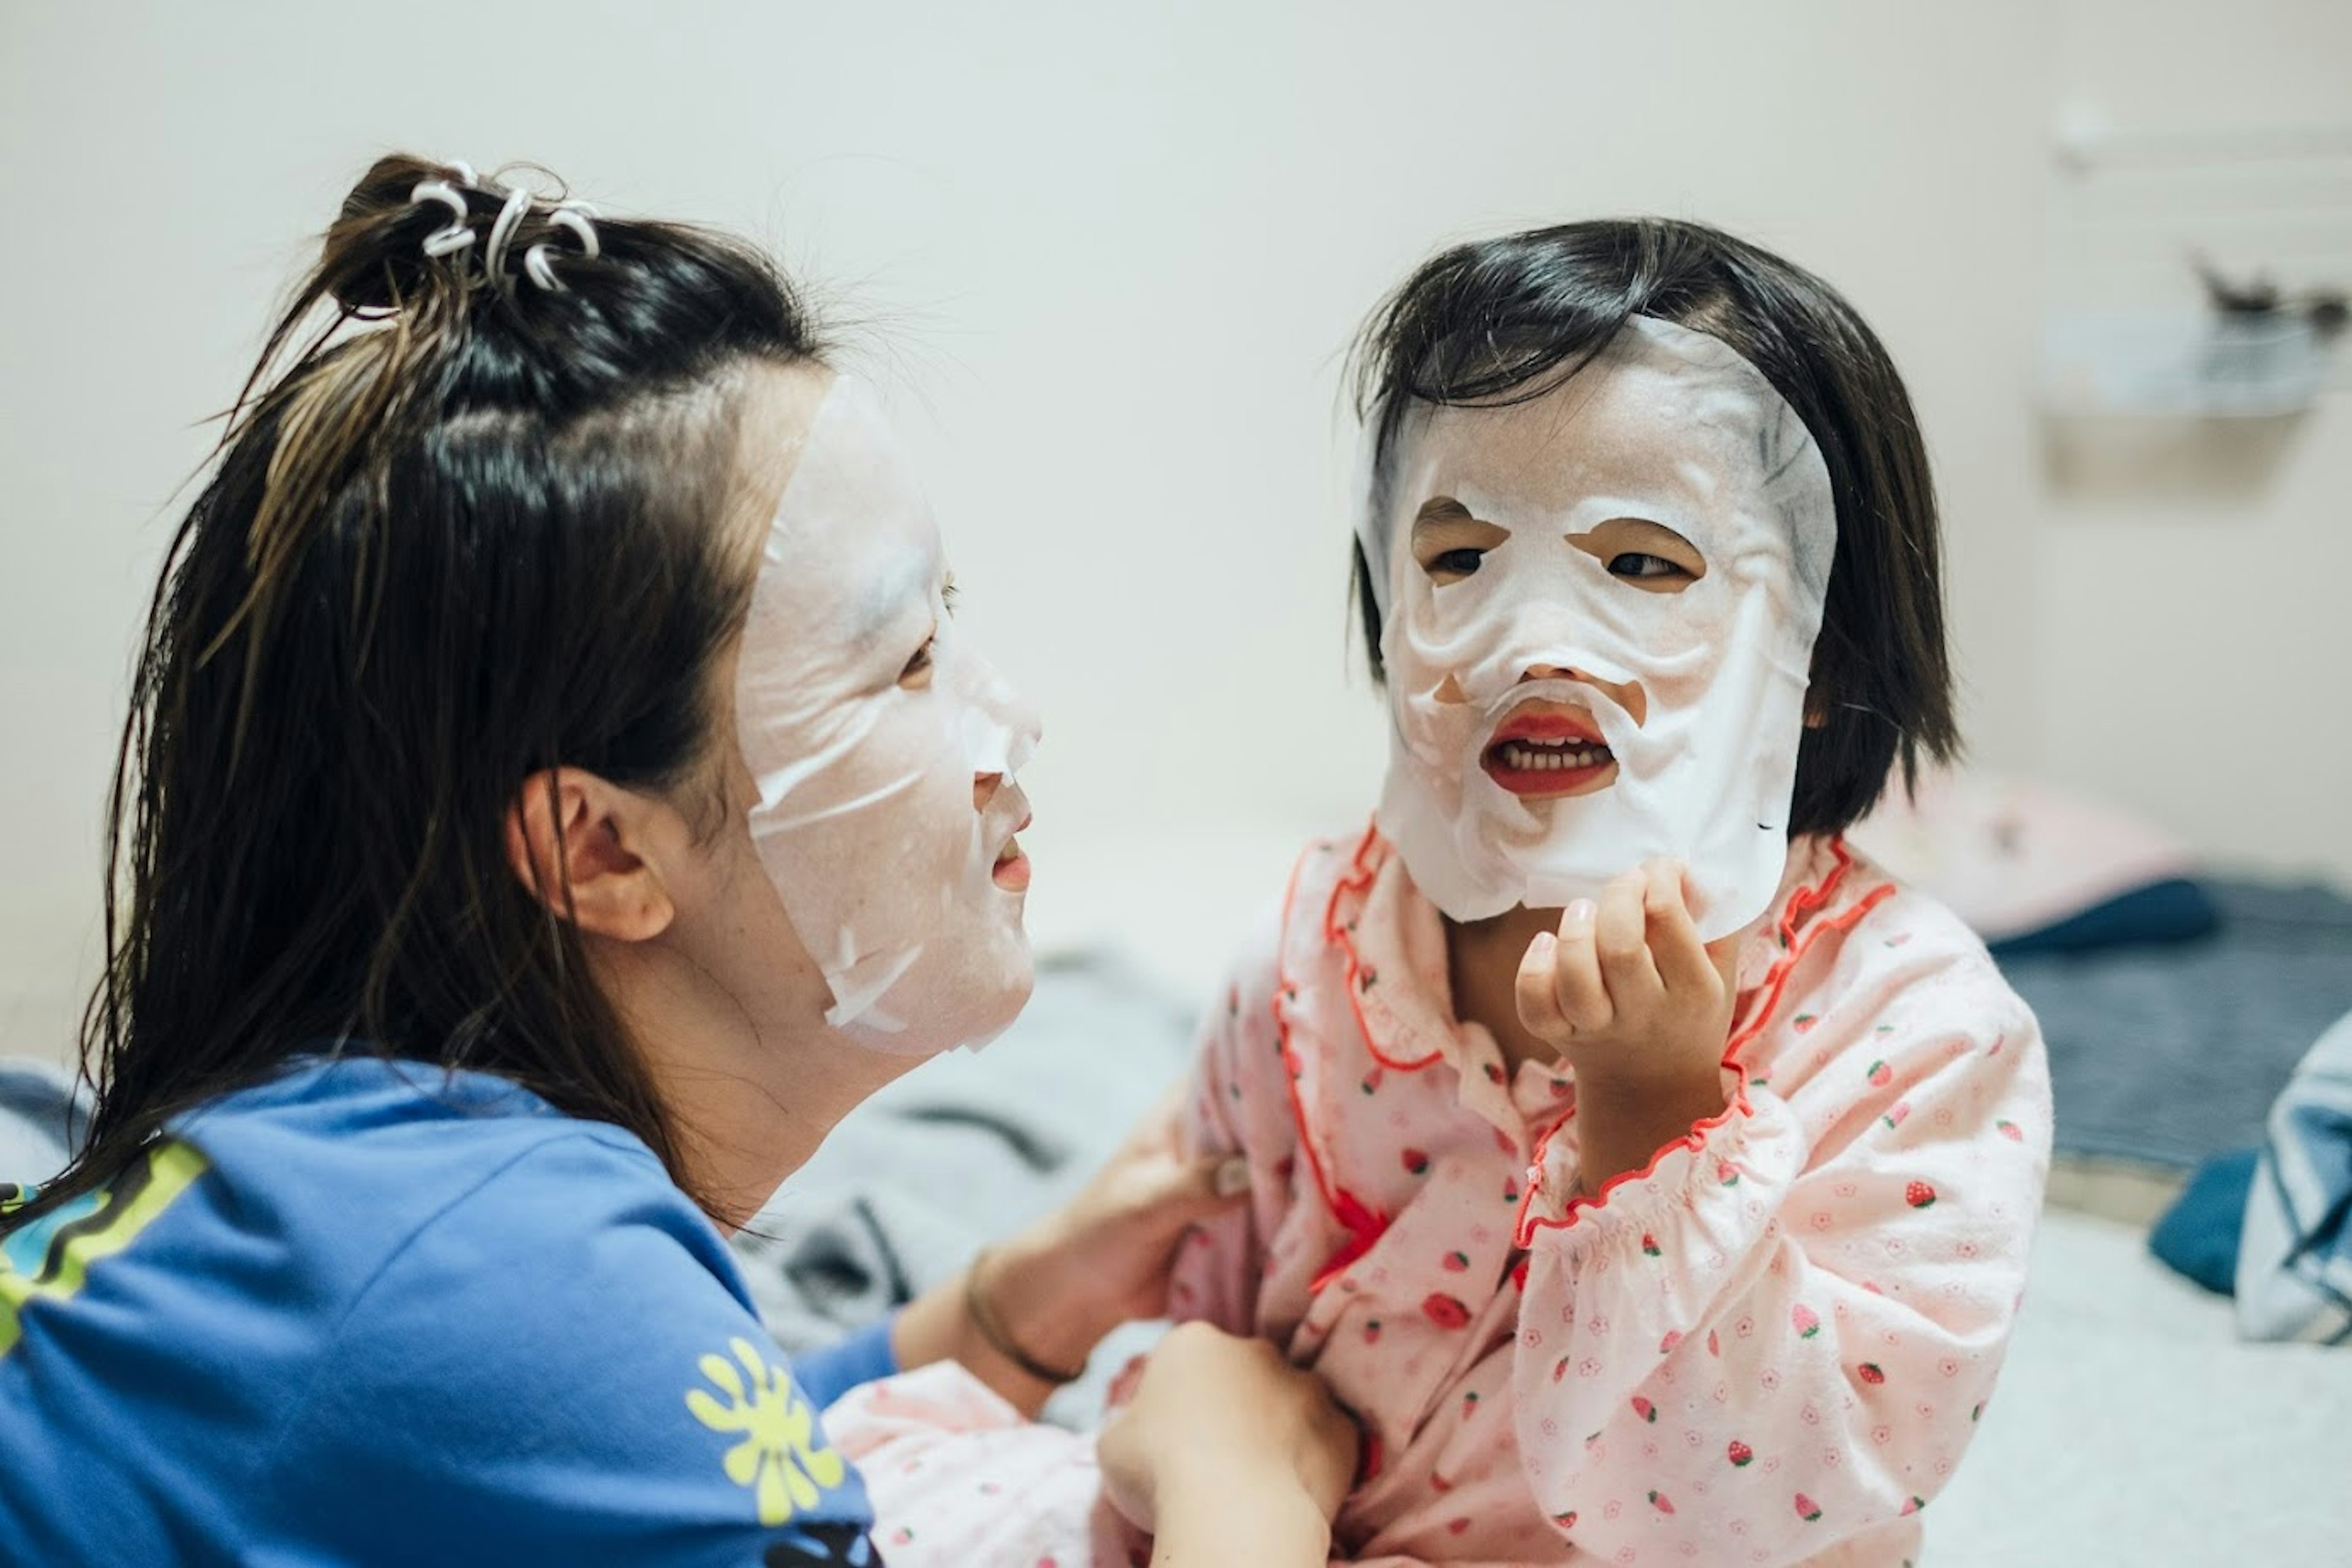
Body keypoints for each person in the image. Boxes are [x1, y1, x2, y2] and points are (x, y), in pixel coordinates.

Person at [0, 154, 1357, 1567]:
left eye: (951, 618)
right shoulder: (520, 1281)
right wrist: (1241, 1484)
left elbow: (646, 1466)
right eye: (904, 662)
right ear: (601, 849)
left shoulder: (384, 1184)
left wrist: (1013, 1311)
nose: (1010, 721)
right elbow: (594, 1395)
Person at [820, 218, 2052, 1567]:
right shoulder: (1327, 940)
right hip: (1289, 1515)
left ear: (1821, 654)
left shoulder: (1915, 1026)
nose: (1533, 641)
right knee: (881, 1494)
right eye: (1460, 559)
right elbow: (1221, 1340)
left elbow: (1789, 1501)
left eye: (1642, 565)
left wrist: (1656, 1122)